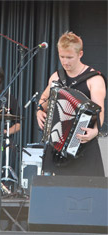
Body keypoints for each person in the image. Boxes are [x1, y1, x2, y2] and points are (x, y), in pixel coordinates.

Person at [36, 31, 106, 176]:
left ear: (80, 54)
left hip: (83, 145)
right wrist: (39, 111)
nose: (65, 62)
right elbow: (44, 98)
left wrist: (95, 131)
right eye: (62, 57)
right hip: (57, 145)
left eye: (69, 57)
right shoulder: (57, 77)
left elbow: (99, 110)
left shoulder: (94, 79)